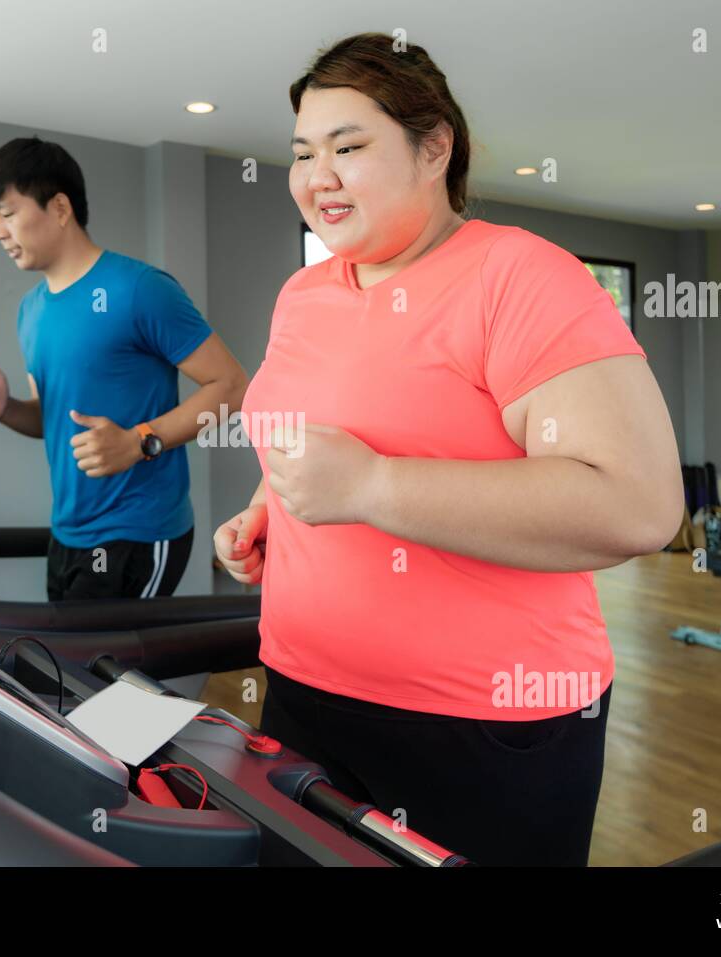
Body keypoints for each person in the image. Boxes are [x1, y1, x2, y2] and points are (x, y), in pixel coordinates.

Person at [213, 33, 683, 865]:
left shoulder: (520, 276)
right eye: (302, 153)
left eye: (347, 147)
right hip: (302, 690)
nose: (317, 176)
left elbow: (639, 504)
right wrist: (264, 512)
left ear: (435, 148)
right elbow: (305, 444)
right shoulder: (303, 294)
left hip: (484, 719)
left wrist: (373, 486)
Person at [0, 137, 248, 600]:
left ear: (59, 208)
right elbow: (52, 418)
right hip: (68, 531)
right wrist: (5, 409)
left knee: (104, 653)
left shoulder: (140, 289)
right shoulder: (31, 309)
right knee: (64, 652)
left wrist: (140, 441)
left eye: (7, 213)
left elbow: (233, 386)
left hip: (138, 531)